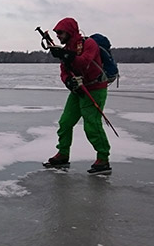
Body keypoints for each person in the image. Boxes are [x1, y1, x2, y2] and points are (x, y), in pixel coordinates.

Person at [45, 17, 111, 174]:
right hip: (78, 90)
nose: (58, 36)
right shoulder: (66, 48)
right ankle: (63, 154)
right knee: (65, 122)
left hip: (94, 89)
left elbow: (84, 62)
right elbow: (64, 71)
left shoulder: (89, 44)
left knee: (92, 125)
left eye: (60, 32)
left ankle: (103, 158)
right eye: (56, 33)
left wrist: (67, 55)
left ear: (69, 31)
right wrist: (68, 81)